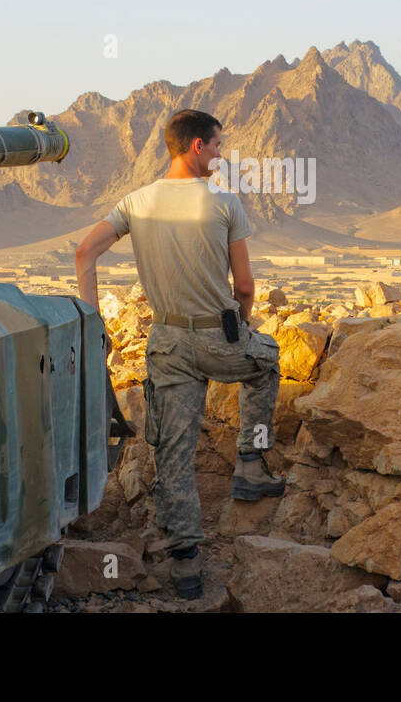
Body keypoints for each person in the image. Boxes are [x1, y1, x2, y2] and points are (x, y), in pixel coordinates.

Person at [74, 109, 283, 600]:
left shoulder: (135, 202)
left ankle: (187, 565)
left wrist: (91, 320)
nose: (219, 155)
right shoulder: (224, 203)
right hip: (220, 337)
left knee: (172, 453)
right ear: (195, 147)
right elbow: (246, 287)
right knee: (267, 361)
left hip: (166, 344)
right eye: (216, 146)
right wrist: (241, 321)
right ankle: (251, 464)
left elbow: (85, 254)